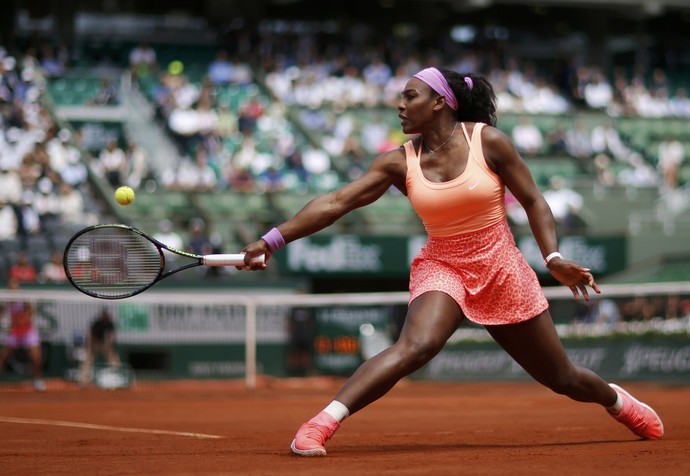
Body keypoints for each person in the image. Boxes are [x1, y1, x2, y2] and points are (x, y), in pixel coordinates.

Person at [240, 67, 664, 456]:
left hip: (501, 265)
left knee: (563, 378)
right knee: (417, 345)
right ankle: (320, 424)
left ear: (440, 102)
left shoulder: (489, 141)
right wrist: (270, 240)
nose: (400, 105)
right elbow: (335, 202)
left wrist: (551, 257)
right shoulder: (396, 162)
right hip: (442, 264)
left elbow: (534, 200)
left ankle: (616, 401)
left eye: (411, 96)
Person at [0, 278, 45, 391]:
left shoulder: (24, 300)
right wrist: (5, 324)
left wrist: (22, 320)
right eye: (11, 288)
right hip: (14, 333)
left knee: (36, 358)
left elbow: (31, 312)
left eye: (15, 287)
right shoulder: (5, 301)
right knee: (3, 356)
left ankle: (37, 380)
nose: (13, 290)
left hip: (28, 332)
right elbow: (1, 314)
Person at [78, 307, 120, 386]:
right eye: (104, 314)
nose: (105, 316)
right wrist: (89, 347)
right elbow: (90, 336)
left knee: (113, 358)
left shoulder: (110, 323)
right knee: (87, 359)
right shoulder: (96, 323)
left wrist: (111, 347)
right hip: (94, 343)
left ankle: (117, 377)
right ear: (101, 315)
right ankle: (83, 380)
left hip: (104, 343)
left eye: (106, 314)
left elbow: (112, 336)